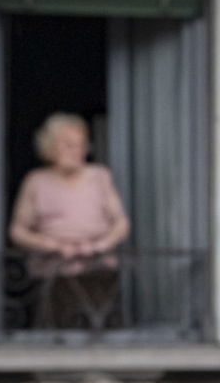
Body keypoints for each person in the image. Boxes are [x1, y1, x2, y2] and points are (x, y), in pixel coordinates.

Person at [9, 113, 131, 329]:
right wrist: (54, 245)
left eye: (81, 145)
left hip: (97, 269)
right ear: (50, 147)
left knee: (100, 331)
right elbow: (18, 231)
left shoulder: (99, 177)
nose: (76, 151)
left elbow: (121, 223)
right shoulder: (36, 181)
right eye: (68, 145)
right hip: (52, 273)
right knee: (57, 330)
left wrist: (99, 246)